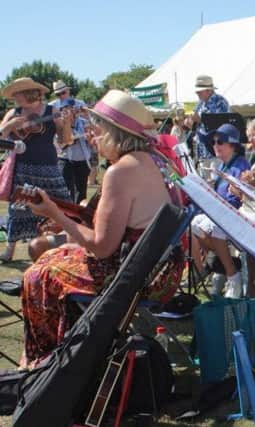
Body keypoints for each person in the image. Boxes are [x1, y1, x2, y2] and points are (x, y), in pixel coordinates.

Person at [19, 90, 186, 368]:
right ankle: (68, 348)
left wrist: (53, 213)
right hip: (160, 269)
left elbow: (101, 246)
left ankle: (45, 362)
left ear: (114, 132)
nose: (91, 137)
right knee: (54, 256)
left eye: (95, 131)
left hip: (141, 276)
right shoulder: (151, 160)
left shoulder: (119, 171)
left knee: (38, 274)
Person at [0, 77, 71, 262]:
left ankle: (63, 242)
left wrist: (67, 124)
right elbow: (1, 136)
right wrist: (9, 126)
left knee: (61, 203)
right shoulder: (13, 112)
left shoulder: (52, 111)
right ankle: (9, 250)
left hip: (48, 165)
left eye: (17, 93)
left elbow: (64, 140)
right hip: (23, 166)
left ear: (27, 93)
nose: (14, 97)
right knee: (18, 207)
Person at [191, 123, 250, 297]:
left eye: (220, 142)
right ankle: (219, 265)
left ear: (233, 145)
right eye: (214, 142)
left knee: (215, 227)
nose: (215, 145)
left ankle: (231, 273)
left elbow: (238, 199)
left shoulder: (241, 166)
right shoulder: (222, 166)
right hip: (220, 214)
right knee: (192, 224)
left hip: (237, 217)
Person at [51, 80, 92, 204]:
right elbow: (59, 138)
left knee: (81, 191)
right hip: (64, 156)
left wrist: (85, 118)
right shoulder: (52, 107)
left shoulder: (81, 107)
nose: (61, 96)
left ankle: (79, 219)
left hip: (82, 156)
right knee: (66, 191)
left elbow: (90, 124)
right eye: (58, 94)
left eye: (63, 92)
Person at [190, 75, 230, 161]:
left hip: (215, 152)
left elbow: (221, 124)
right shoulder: (200, 103)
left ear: (209, 91)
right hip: (202, 152)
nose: (197, 93)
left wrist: (200, 120)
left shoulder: (220, 102)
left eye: (199, 91)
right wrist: (192, 123)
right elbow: (197, 124)